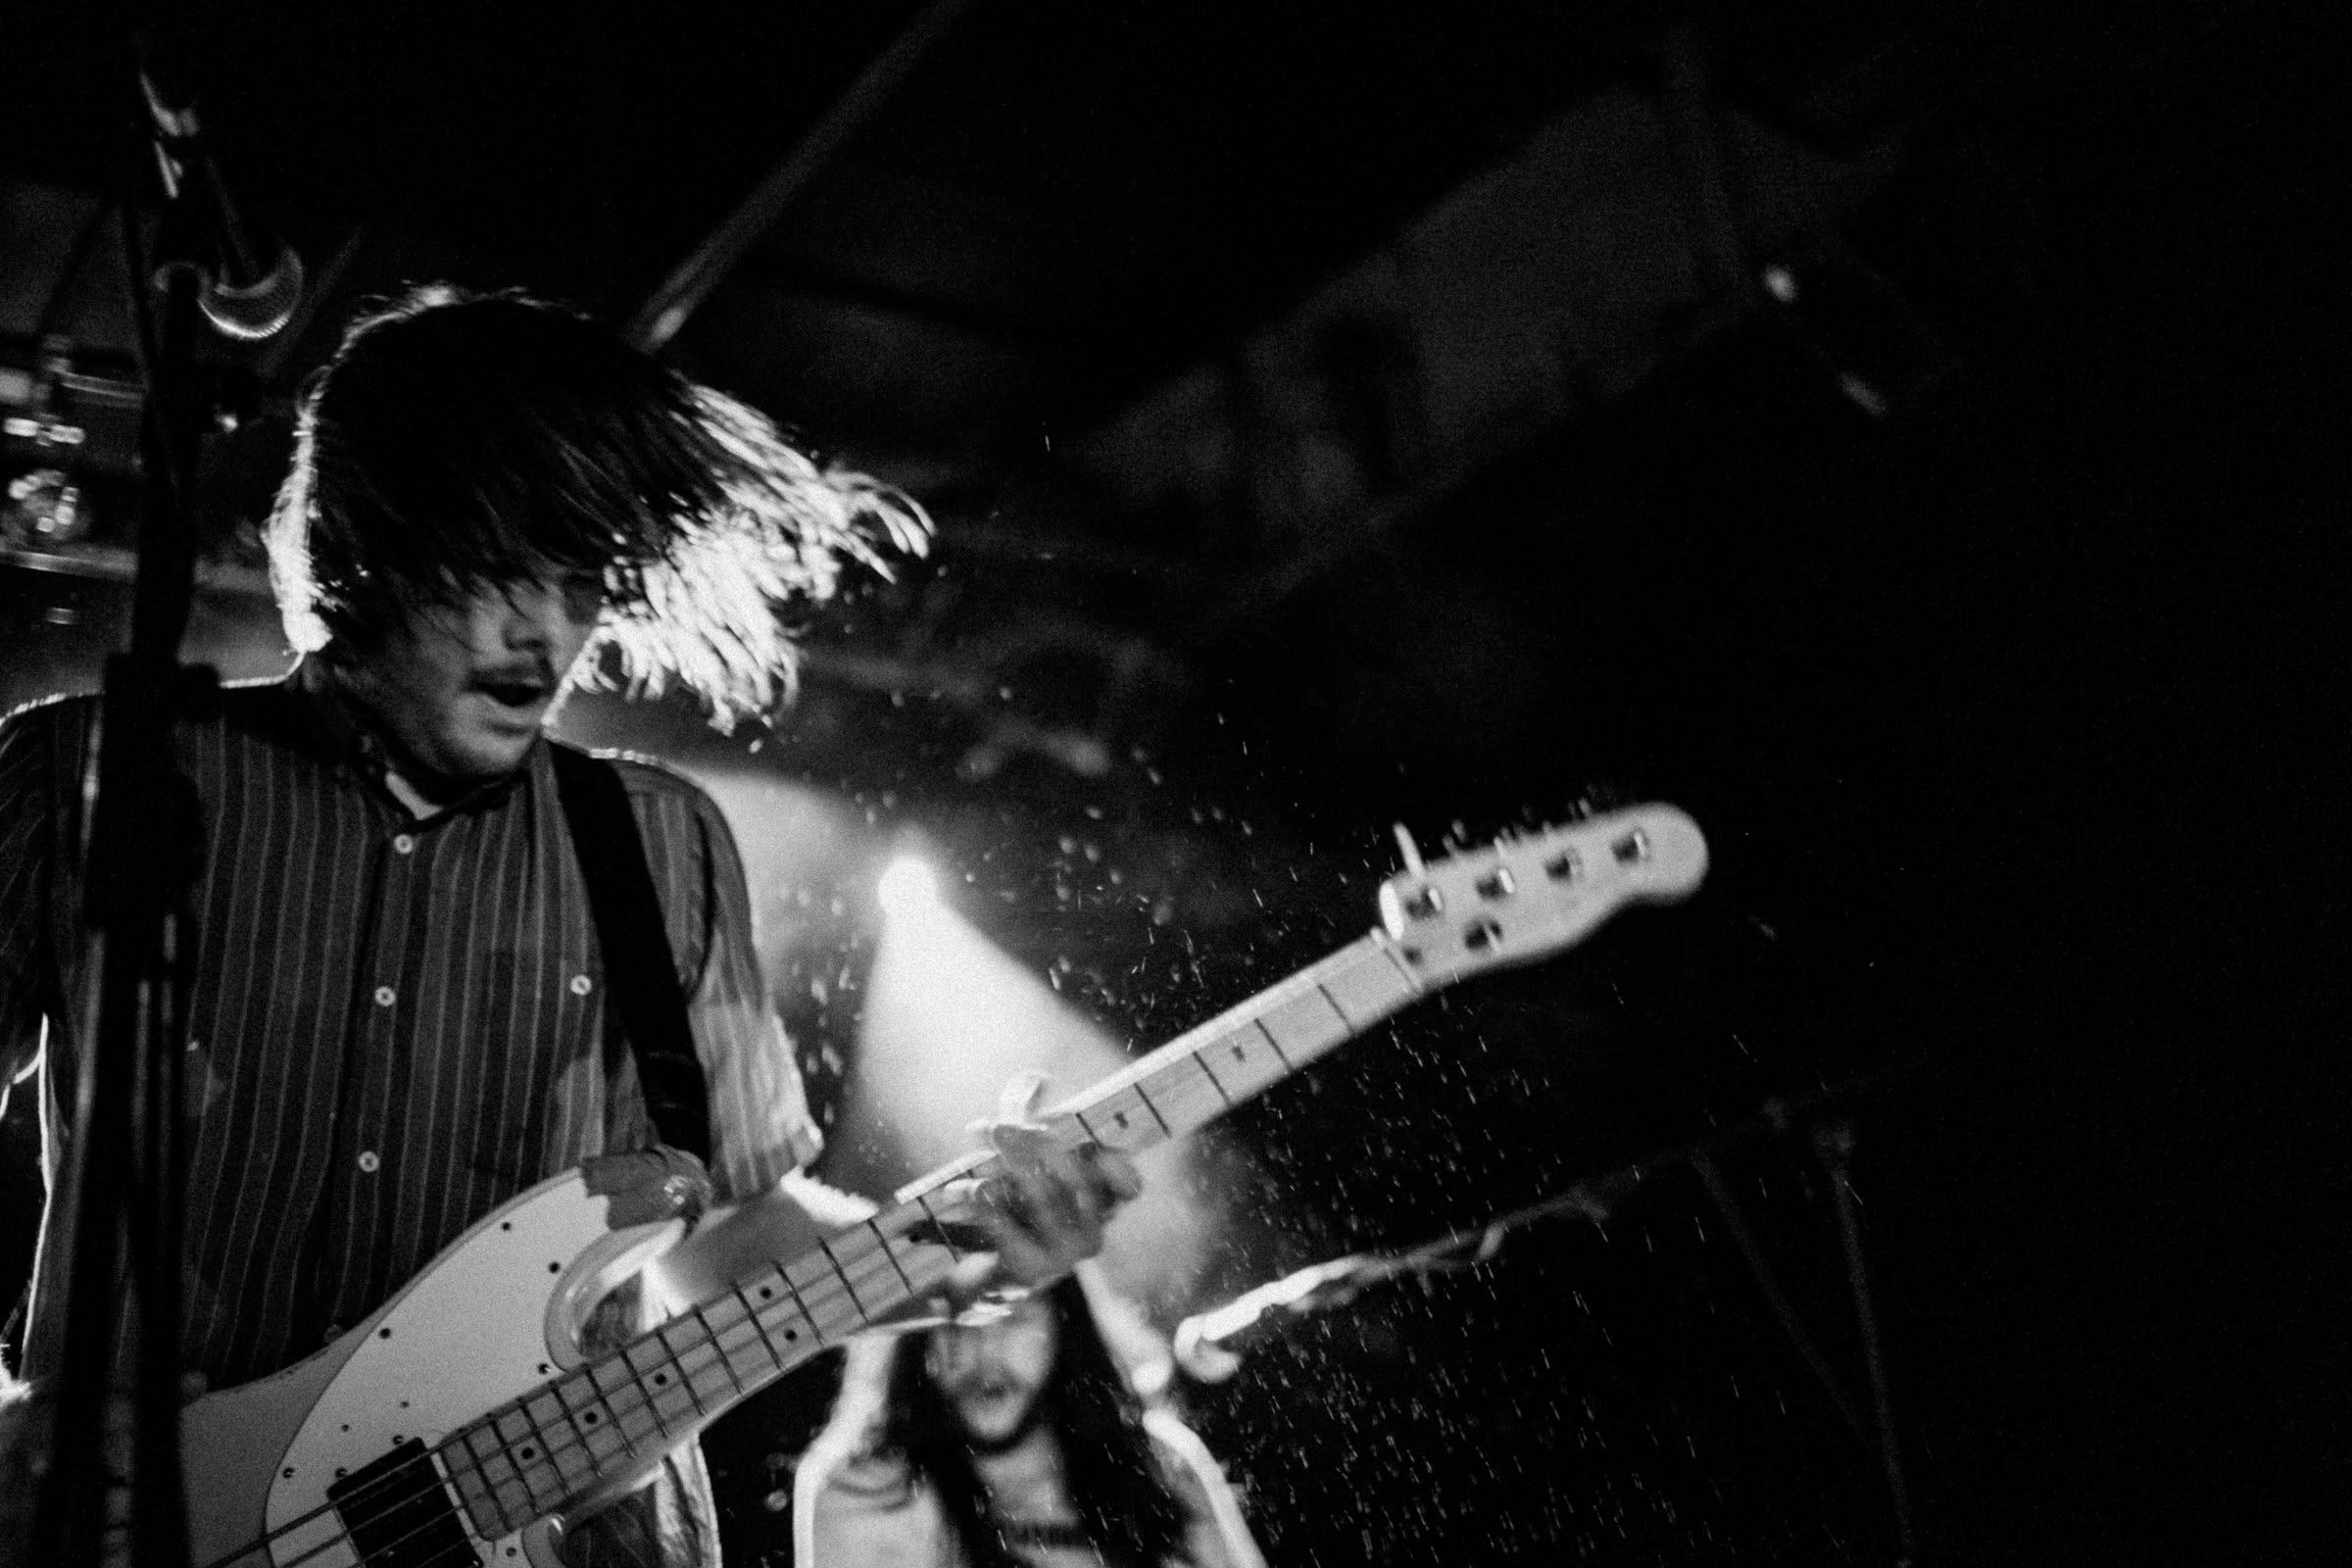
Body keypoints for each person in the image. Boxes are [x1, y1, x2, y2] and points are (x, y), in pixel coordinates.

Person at [0, 285, 1138, 1565]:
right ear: (362, 541)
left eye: (581, 572)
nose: (543, 629)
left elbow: (734, 1235)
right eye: (495, 564)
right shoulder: (95, 780)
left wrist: (969, 1243)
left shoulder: (658, 844)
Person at [796, 1270, 1267, 1568]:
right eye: (955, 1324)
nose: (984, 1353)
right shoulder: (866, 1491)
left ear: (1062, 1323)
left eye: (1013, 1316)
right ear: (916, 1338)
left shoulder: (1163, 1462)